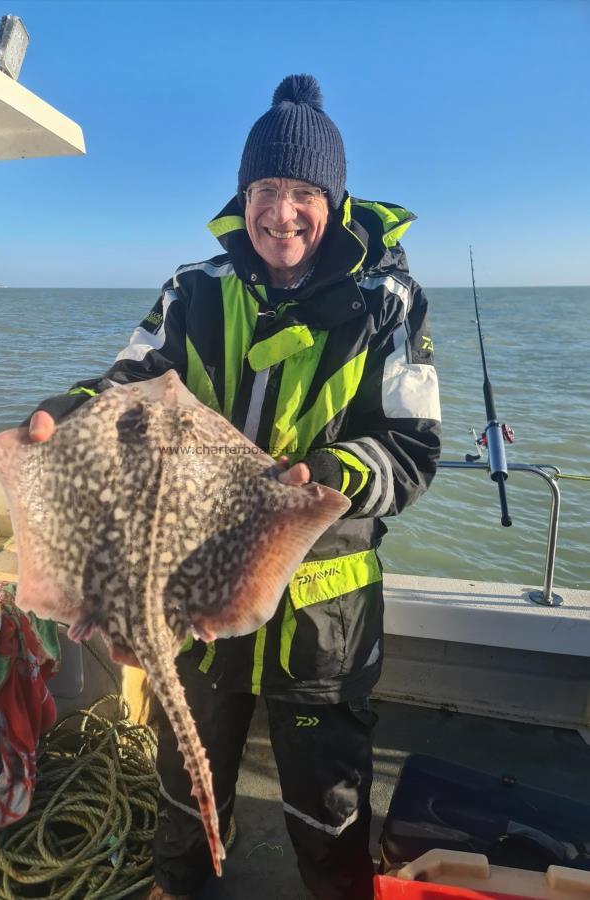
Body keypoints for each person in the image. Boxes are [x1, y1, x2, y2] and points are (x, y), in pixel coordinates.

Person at [26, 74, 441, 900]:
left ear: (332, 195)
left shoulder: (387, 301)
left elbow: (413, 448)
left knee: (329, 806)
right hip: (195, 588)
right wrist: (63, 410)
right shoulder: (194, 289)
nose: (279, 212)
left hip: (322, 613)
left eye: (299, 192)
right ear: (242, 194)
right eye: (262, 189)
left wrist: (329, 473)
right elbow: (127, 389)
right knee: (185, 784)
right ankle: (180, 887)